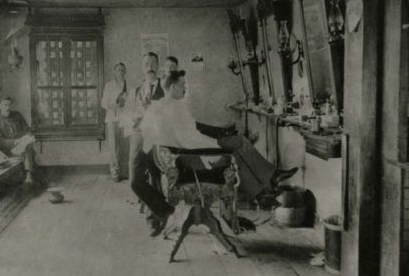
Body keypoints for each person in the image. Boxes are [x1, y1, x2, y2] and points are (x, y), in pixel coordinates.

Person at [133, 70, 298, 236]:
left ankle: (264, 189)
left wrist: (217, 140)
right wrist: (217, 147)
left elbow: (173, 137)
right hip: (190, 160)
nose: (185, 88)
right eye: (183, 84)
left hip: (176, 159)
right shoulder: (176, 107)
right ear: (174, 87)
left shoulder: (158, 106)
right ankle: (264, 189)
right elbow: (189, 140)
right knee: (236, 149)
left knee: (238, 143)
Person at [126, 52, 165, 183]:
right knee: (135, 177)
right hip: (140, 136)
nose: (150, 67)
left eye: (153, 63)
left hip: (159, 137)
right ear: (142, 67)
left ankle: (157, 201)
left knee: (157, 174)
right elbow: (128, 117)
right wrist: (139, 113)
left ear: (158, 66)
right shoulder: (135, 92)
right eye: (147, 64)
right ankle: (143, 199)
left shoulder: (166, 89)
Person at [0, 97, 42, 186]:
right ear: (0, 106)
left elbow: (27, 129)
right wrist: (17, 141)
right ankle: (29, 174)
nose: (8, 108)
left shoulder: (17, 115)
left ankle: (29, 175)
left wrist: (28, 136)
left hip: (22, 146)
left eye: (9, 105)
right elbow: (0, 141)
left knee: (28, 146)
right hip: (7, 150)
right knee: (28, 150)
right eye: (5, 105)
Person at [101, 62, 129, 182]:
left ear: (125, 71)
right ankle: (115, 173)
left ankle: (124, 172)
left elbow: (133, 102)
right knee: (113, 147)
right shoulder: (109, 86)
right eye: (118, 70)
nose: (120, 72)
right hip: (112, 119)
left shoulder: (129, 85)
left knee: (124, 146)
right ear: (114, 72)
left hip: (125, 120)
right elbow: (103, 103)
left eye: (122, 70)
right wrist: (113, 105)